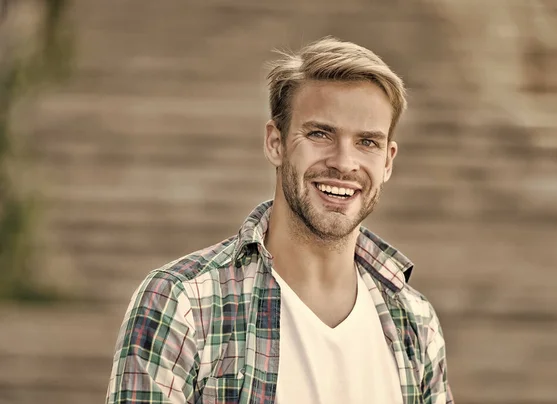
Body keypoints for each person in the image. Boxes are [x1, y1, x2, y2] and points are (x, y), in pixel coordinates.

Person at [106, 36, 453, 404]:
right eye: (320, 134)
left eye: (367, 142)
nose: (343, 162)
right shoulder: (184, 302)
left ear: (388, 161)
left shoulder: (415, 322)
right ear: (276, 142)